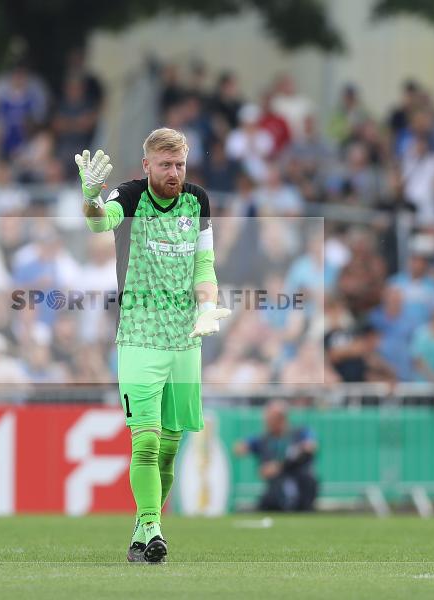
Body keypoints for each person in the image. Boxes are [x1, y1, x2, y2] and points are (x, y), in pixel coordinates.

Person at [76, 128, 231, 563]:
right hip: (140, 335)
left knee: (169, 446)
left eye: (179, 164)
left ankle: (143, 528)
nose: (174, 173)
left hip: (185, 339)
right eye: (165, 165)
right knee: (145, 441)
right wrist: (90, 197)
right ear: (147, 166)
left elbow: (205, 264)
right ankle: (152, 525)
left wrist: (207, 306)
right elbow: (96, 222)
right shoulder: (128, 196)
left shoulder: (197, 200)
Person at [235, 400, 319, 511]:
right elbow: (239, 448)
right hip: (276, 487)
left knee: (307, 481)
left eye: (271, 419)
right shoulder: (263, 439)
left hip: (300, 482)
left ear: (282, 419)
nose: (267, 423)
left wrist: (279, 466)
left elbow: (311, 447)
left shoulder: (300, 433)